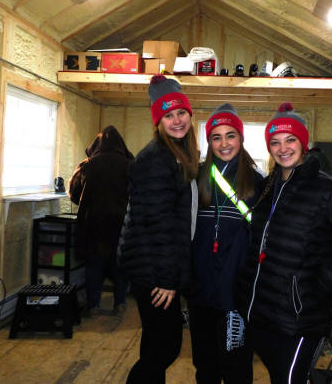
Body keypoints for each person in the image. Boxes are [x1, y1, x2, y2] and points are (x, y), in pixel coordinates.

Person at [237, 103, 332, 384]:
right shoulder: (267, 188)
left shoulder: (329, 190)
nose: (283, 148)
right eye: (275, 142)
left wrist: (323, 283)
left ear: (303, 143)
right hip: (262, 314)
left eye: (290, 140)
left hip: (299, 319)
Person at [118, 75, 199, 384]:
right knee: (165, 347)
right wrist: (166, 280)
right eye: (168, 116)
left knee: (155, 344)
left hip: (155, 267)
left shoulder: (177, 155)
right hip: (153, 271)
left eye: (181, 113)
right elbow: (158, 225)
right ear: (158, 121)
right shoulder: (155, 159)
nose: (177, 120)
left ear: (189, 114)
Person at [189, 104, 263, 384]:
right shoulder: (196, 179)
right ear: (209, 142)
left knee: (236, 368)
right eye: (216, 137)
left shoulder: (257, 183)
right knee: (205, 365)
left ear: (241, 139)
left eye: (230, 135)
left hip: (236, 294)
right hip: (200, 291)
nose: (224, 144)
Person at [68, 125, 134, 316]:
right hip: (122, 223)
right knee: (119, 264)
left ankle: (94, 305)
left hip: (94, 223)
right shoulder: (130, 165)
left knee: (94, 263)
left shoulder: (88, 164)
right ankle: (120, 302)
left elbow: (74, 192)